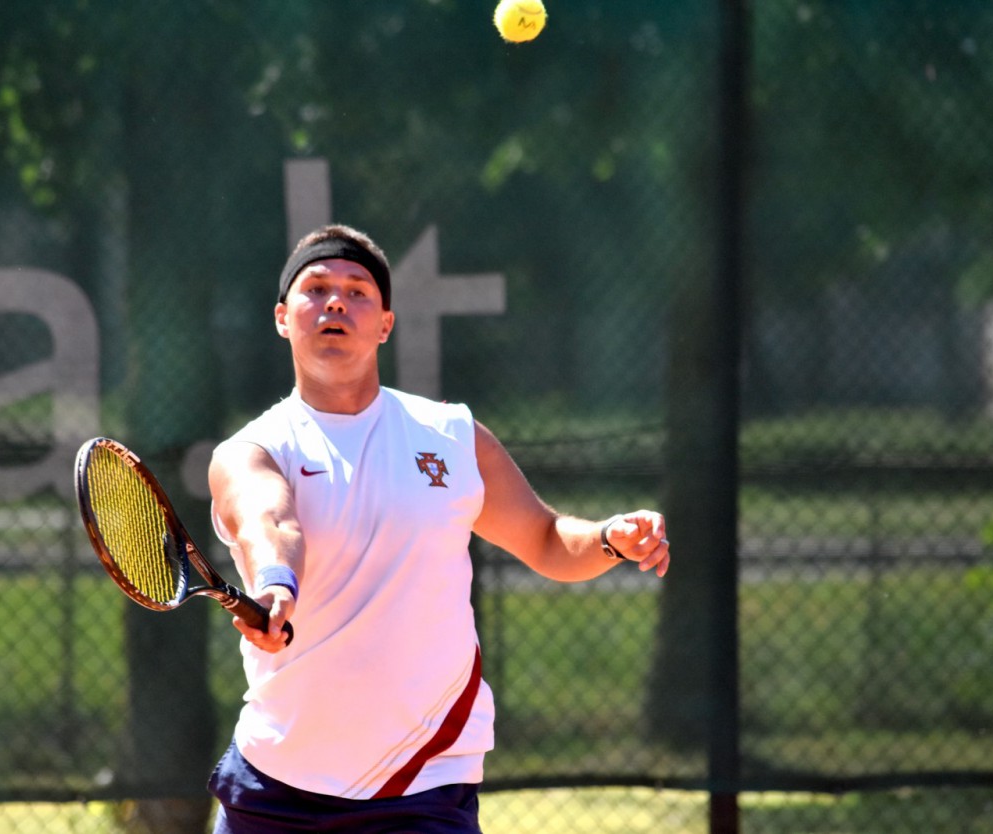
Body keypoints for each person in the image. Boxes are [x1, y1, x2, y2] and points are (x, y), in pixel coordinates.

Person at [206, 223, 669, 833]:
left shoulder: (451, 437)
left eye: (357, 291)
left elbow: (545, 539)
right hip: (275, 785)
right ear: (282, 318)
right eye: (315, 288)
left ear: (385, 324)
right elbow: (269, 519)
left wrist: (608, 538)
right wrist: (275, 584)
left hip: (421, 784)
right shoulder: (251, 451)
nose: (335, 302)